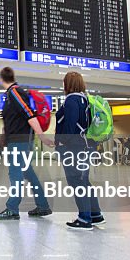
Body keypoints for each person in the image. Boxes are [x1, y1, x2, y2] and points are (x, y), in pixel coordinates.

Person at [0, 67, 51, 220]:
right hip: (18, 140)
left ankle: (12, 208)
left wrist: (42, 136)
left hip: (19, 141)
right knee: (28, 173)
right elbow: (14, 119)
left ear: (1, 79)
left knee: (15, 174)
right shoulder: (10, 94)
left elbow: (29, 114)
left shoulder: (15, 92)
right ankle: (43, 205)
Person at [55, 71, 103, 229]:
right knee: (84, 181)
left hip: (74, 148)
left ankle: (84, 218)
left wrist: (61, 142)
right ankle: (95, 214)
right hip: (86, 145)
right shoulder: (85, 99)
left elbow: (70, 125)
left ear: (67, 84)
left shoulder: (71, 100)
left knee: (76, 181)